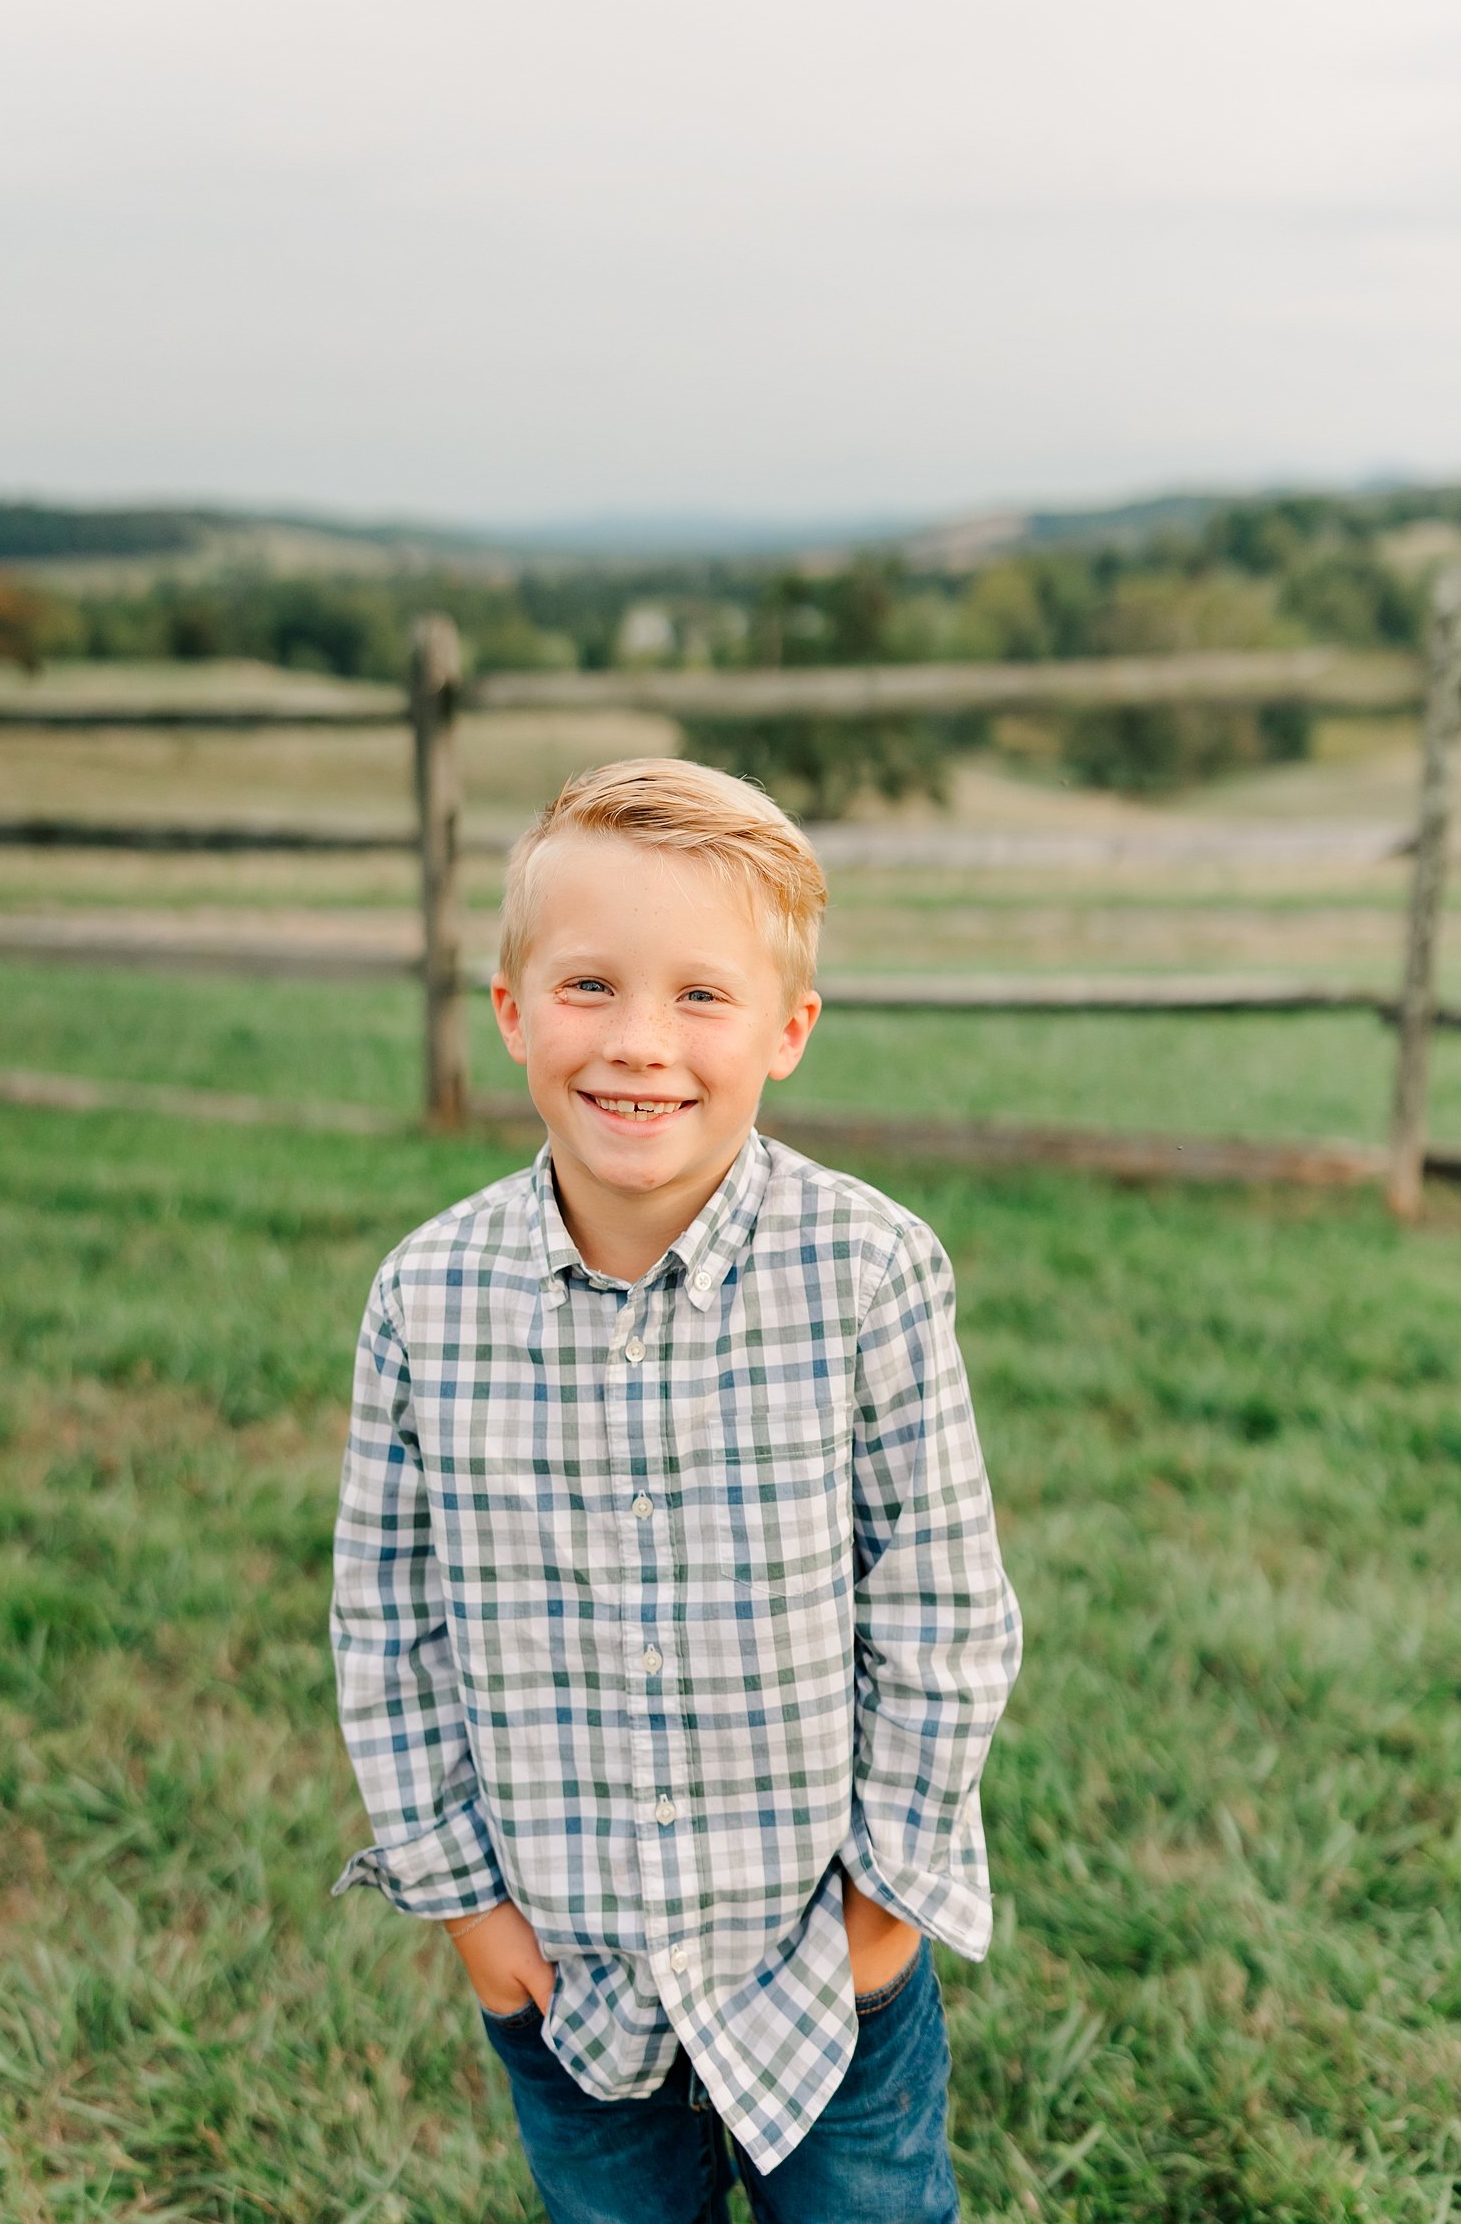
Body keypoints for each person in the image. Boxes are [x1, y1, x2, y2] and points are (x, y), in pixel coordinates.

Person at [329, 758, 1023, 2223]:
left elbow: (946, 1614)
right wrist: (466, 1902)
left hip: (821, 1960)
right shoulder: (425, 1300)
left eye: (701, 995)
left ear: (788, 1030)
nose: (640, 1043)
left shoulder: (870, 1274)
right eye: (590, 984)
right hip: (567, 1968)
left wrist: (883, 1909)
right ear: (511, 1008)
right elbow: (389, 1632)